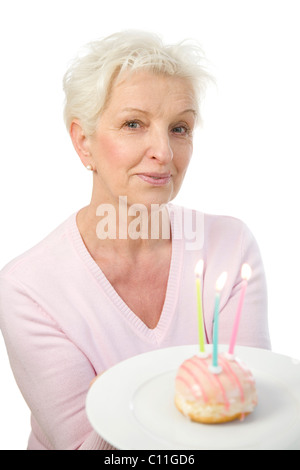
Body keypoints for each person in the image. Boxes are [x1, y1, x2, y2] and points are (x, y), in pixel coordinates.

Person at [0, 30, 271, 450]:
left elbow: (252, 419)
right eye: (133, 124)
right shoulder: (28, 288)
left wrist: (123, 395)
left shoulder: (230, 247)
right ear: (83, 142)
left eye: (179, 127)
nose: (163, 151)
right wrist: (199, 392)